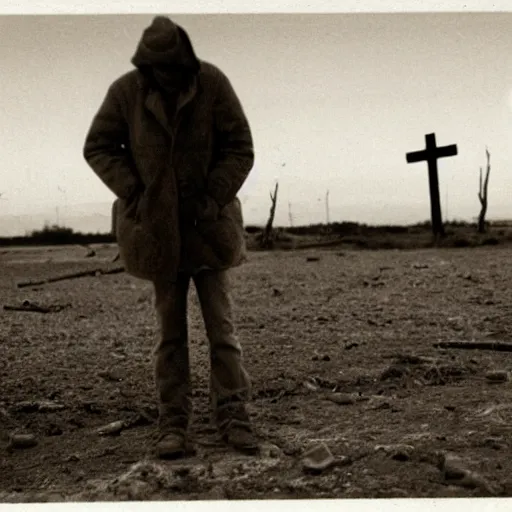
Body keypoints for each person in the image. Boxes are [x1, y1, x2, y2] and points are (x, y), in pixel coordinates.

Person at [83, 16, 257, 459]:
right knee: (170, 335)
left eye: (175, 68)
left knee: (222, 329)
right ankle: (173, 424)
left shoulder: (212, 83)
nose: (169, 77)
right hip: (158, 234)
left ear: (186, 60)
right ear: (147, 67)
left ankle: (234, 417)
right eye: (160, 70)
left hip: (209, 229)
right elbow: (98, 146)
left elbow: (240, 147)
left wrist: (215, 195)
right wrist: (136, 192)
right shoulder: (126, 93)